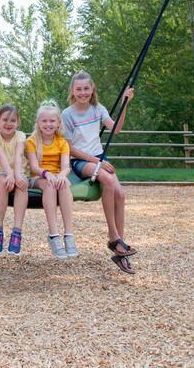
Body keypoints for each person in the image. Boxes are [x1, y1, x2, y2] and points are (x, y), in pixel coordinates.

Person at [61, 71, 137, 274]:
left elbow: (116, 130)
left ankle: (120, 249)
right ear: (73, 91)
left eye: (86, 88)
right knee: (108, 181)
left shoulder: (98, 109)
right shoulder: (67, 114)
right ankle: (113, 237)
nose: (83, 92)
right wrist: (98, 162)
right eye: (79, 89)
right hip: (81, 161)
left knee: (121, 194)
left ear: (92, 89)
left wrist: (124, 104)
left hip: (99, 158)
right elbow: (70, 149)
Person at [25, 100, 77, 259]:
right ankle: (54, 235)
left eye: (52, 121)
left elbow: (66, 167)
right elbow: (34, 167)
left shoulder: (62, 142)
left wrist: (61, 176)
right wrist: (48, 174)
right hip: (39, 177)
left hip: (56, 175)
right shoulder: (31, 141)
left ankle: (69, 234)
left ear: (58, 122)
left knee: (64, 185)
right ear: (38, 122)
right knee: (50, 185)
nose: (48, 124)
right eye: (44, 121)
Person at [0, 104, 29, 255]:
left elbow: (18, 155)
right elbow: (0, 156)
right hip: (0, 171)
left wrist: (16, 175)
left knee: (22, 185)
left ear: (18, 122)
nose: (8, 123)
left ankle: (17, 231)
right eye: (5, 119)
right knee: (4, 182)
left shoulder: (20, 136)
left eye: (13, 120)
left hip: (19, 171)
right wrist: (9, 174)